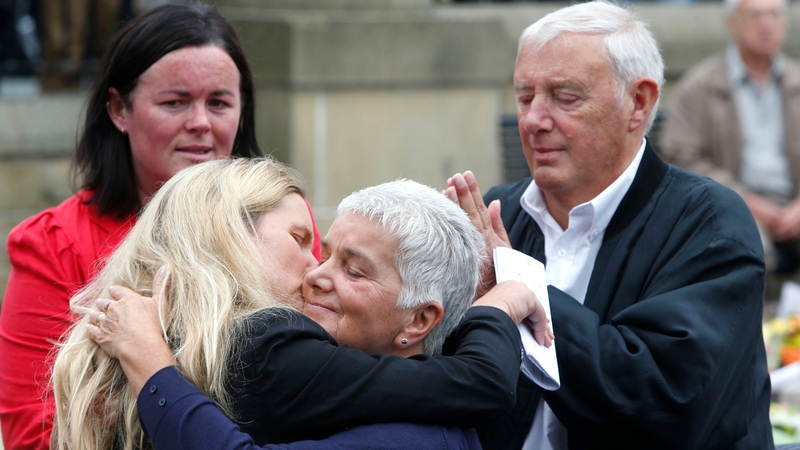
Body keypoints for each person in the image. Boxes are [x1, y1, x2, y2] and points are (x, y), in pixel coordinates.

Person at [445, 1, 772, 449]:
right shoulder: (497, 214)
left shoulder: (708, 221)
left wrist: (520, 287)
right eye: (524, 97)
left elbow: (663, 401)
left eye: (565, 97)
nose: (534, 120)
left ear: (638, 103)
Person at [52, 158, 552, 449]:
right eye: (308, 243)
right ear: (228, 235)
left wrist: (151, 361)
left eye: (352, 270)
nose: (315, 271)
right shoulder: (259, 343)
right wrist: (503, 302)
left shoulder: (237, 346)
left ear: (421, 320)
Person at [0, 5, 321, 450]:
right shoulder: (53, 243)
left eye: (219, 103)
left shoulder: (285, 225)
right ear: (118, 110)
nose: (201, 123)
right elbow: (34, 436)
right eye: (175, 102)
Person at [660, 0, 800, 277]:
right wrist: (744, 200)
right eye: (755, 16)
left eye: (774, 15)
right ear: (732, 23)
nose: (766, 24)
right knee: (744, 244)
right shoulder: (699, 86)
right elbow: (680, 156)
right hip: (730, 201)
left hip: (793, 201)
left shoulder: (796, 80)